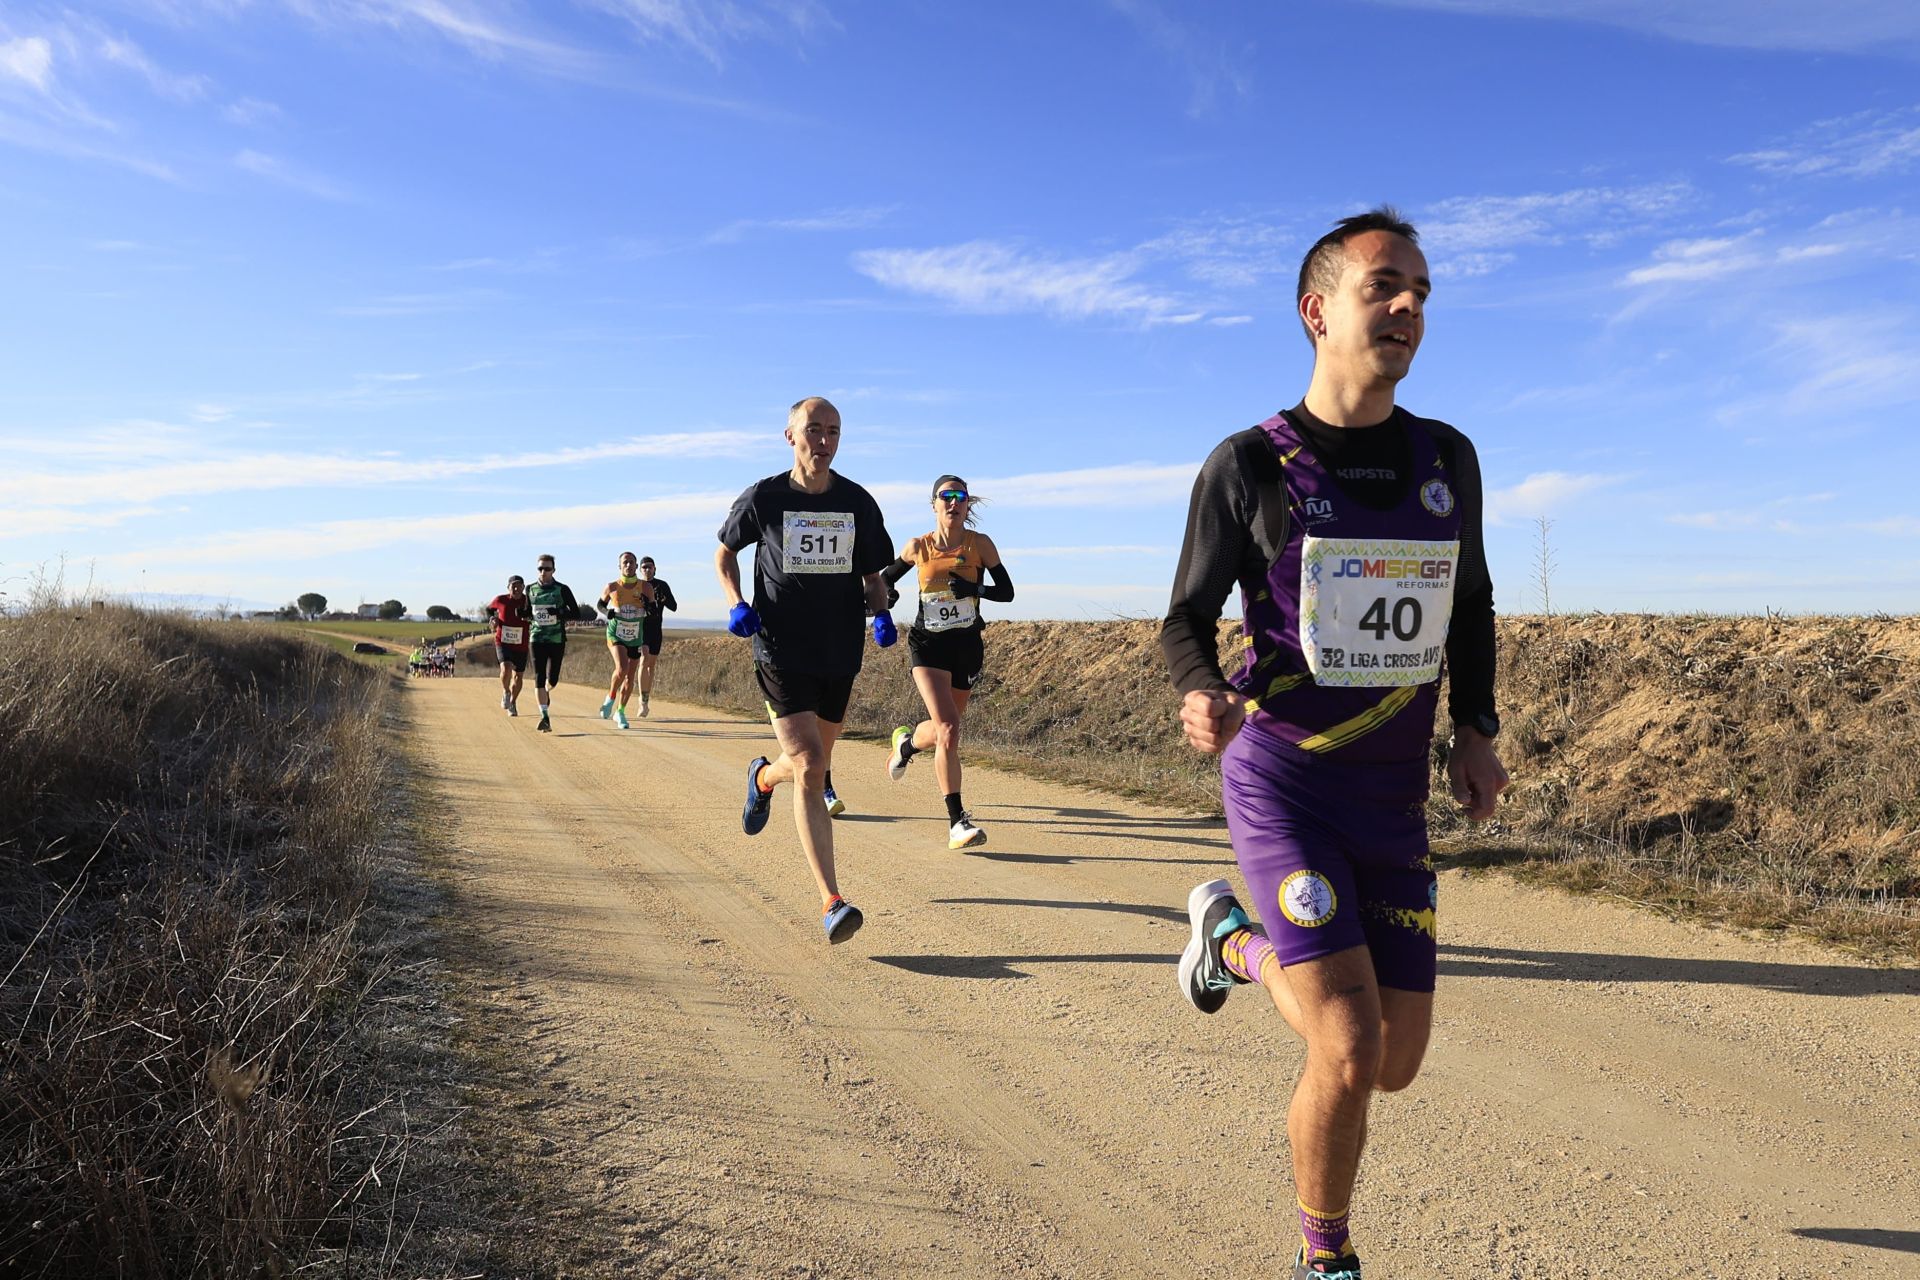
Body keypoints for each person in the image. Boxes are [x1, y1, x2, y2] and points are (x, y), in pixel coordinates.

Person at [1159, 209, 1508, 1280]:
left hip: (1393, 794)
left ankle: (1226, 940)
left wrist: (1477, 730)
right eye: (1384, 287)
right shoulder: (1250, 464)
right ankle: (1327, 1254)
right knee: (1347, 1047)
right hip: (1285, 784)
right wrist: (1200, 691)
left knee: (1394, 1062)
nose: (1408, 307)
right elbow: (1183, 620)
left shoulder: (1446, 455)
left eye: (1421, 293)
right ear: (1318, 311)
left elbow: (1473, 607)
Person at [715, 396, 895, 943]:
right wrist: (735, 601)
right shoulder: (764, 498)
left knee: (807, 766)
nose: (824, 440)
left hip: (839, 650)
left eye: (833, 431)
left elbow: (872, 576)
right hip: (780, 647)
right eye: (813, 429)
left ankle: (762, 777)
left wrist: (882, 611)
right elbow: (724, 554)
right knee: (813, 763)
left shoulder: (857, 502)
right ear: (790, 436)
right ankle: (832, 900)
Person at [879, 475, 1014, 849]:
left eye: (960, 497)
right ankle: (957, 821)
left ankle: (905, 746)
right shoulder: (918, 546)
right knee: (950, 729)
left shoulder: (980, 545)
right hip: (928, 646)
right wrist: (886, 597)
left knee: (944, 730)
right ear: (934, 504)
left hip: (966, 645)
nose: (953, 503)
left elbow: (1007, 592)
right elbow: (884, 580)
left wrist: (976, 589)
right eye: (946, 496)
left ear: (968, 505)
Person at [597, 552, 655, 730]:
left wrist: (648, 606)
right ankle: (610, 698)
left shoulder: (645, 587)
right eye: (625, 563)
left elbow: (653, 610)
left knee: (630, 677)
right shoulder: (612, 586)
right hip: (615, 633)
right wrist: (608, 613)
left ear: (636, 566)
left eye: (631, 562)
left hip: (635, 635)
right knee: (621, 668)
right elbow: (599, 605)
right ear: (619, 566)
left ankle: (620, 712)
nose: (628, 565)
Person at [527, 554, 582, 733]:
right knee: (539, 678)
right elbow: (527, 612)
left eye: (547, 569)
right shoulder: (530, 589)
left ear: (554, 570)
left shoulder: (562, 589)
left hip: (556, 639)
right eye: (540, 569)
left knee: (553, 679)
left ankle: (547, 692)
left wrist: (558, 612)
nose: (543, 572)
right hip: (536, 638)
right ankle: (544, 716)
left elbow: (576, 613)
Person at [485, 575, 534, 717]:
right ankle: (506, 691)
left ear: (524, 588)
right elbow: (489, 609)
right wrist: (492, 619)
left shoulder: (528, 601)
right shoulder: (501, 600)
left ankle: (513, 703)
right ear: (508, 588)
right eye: (514, 586)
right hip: (502, 641)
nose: (517, 588)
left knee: (518, 677)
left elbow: (535, 614)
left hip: (521, 644)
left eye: (519, 586)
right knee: (505, 668)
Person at [635, 556, 677, 719]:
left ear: (655, 569)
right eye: (644, 567)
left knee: (651, 666)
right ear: (640, 570)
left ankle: (646, 698)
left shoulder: (662, 585)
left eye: (649, 567)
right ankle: (642, 702)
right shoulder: (637, 586)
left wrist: (663, 599)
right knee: (643, 660)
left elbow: (674, 606)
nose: (647, 570)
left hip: (656, 629)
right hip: (641, 628)